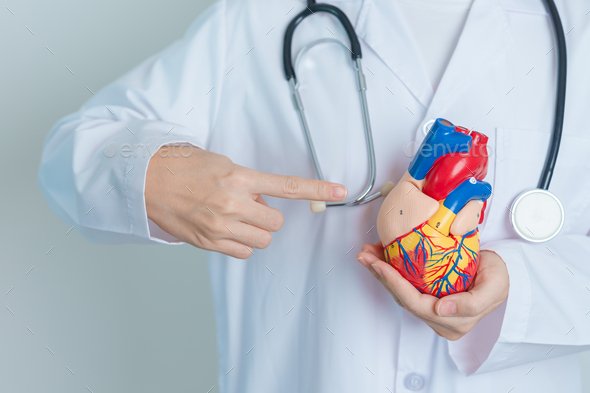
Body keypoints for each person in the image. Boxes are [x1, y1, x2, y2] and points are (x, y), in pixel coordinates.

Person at [38, 0, 590, 391]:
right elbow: (73, 149)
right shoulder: (260, 17)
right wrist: (155, 172)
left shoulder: (578, 29)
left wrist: (524, 290)